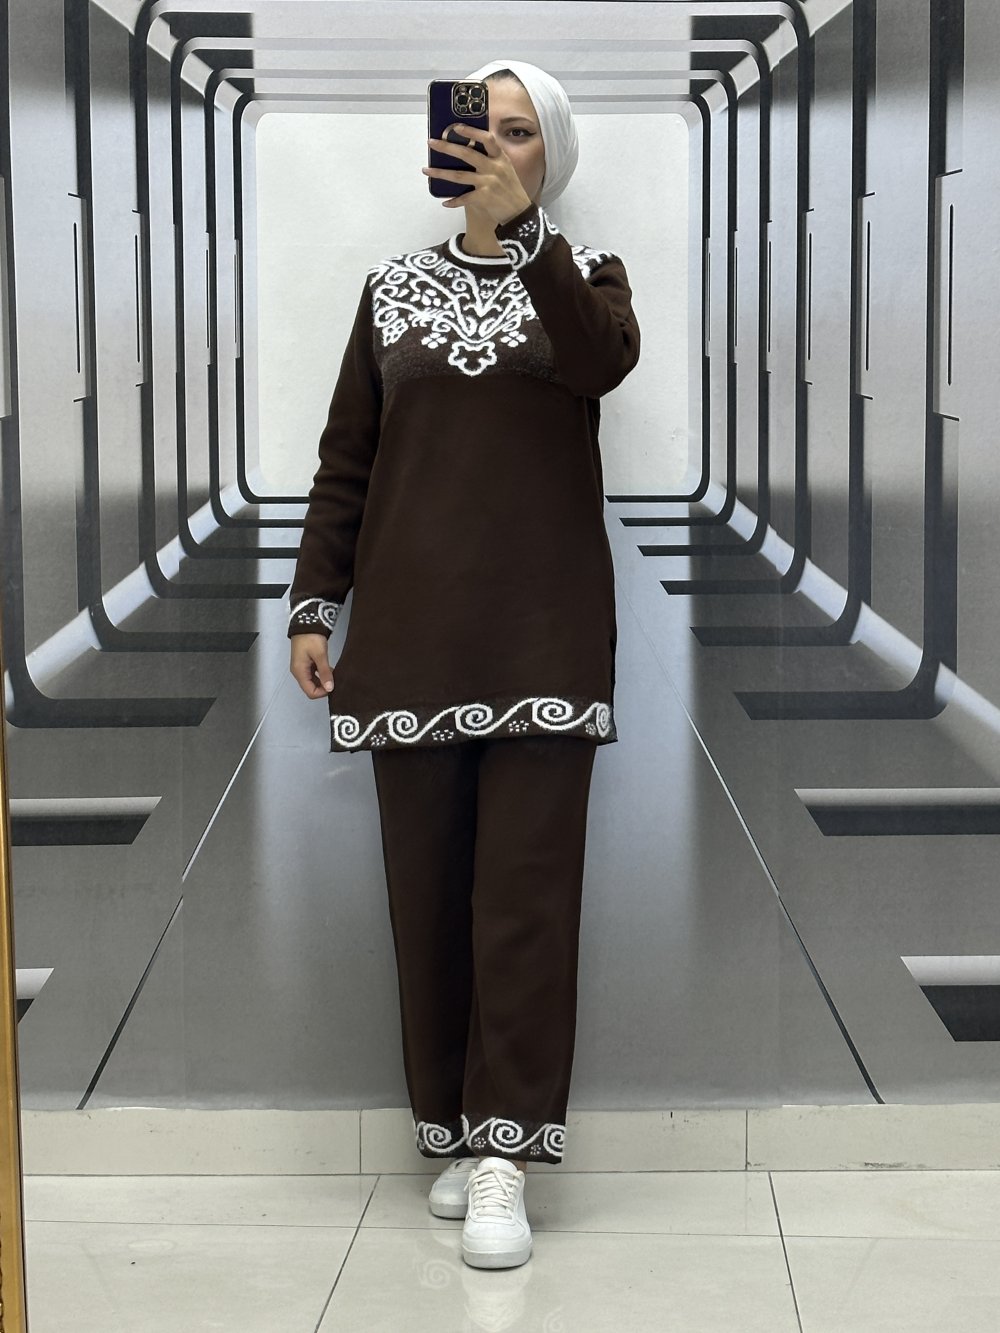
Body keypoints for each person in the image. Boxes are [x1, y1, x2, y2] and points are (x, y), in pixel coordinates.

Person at [287, 59, 640, 1269]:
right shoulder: (389, 291)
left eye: (520, 131)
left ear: (554, 154)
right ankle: (451, 1131)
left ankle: (507, 1156)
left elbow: (599, 364)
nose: (494, 145)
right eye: (477, 127)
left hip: (544, 637)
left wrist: (526, 236)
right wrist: (314, 602)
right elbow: (348, 456)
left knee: (523, 906)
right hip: (412, 637)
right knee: (429, 902)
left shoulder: (589, 281)